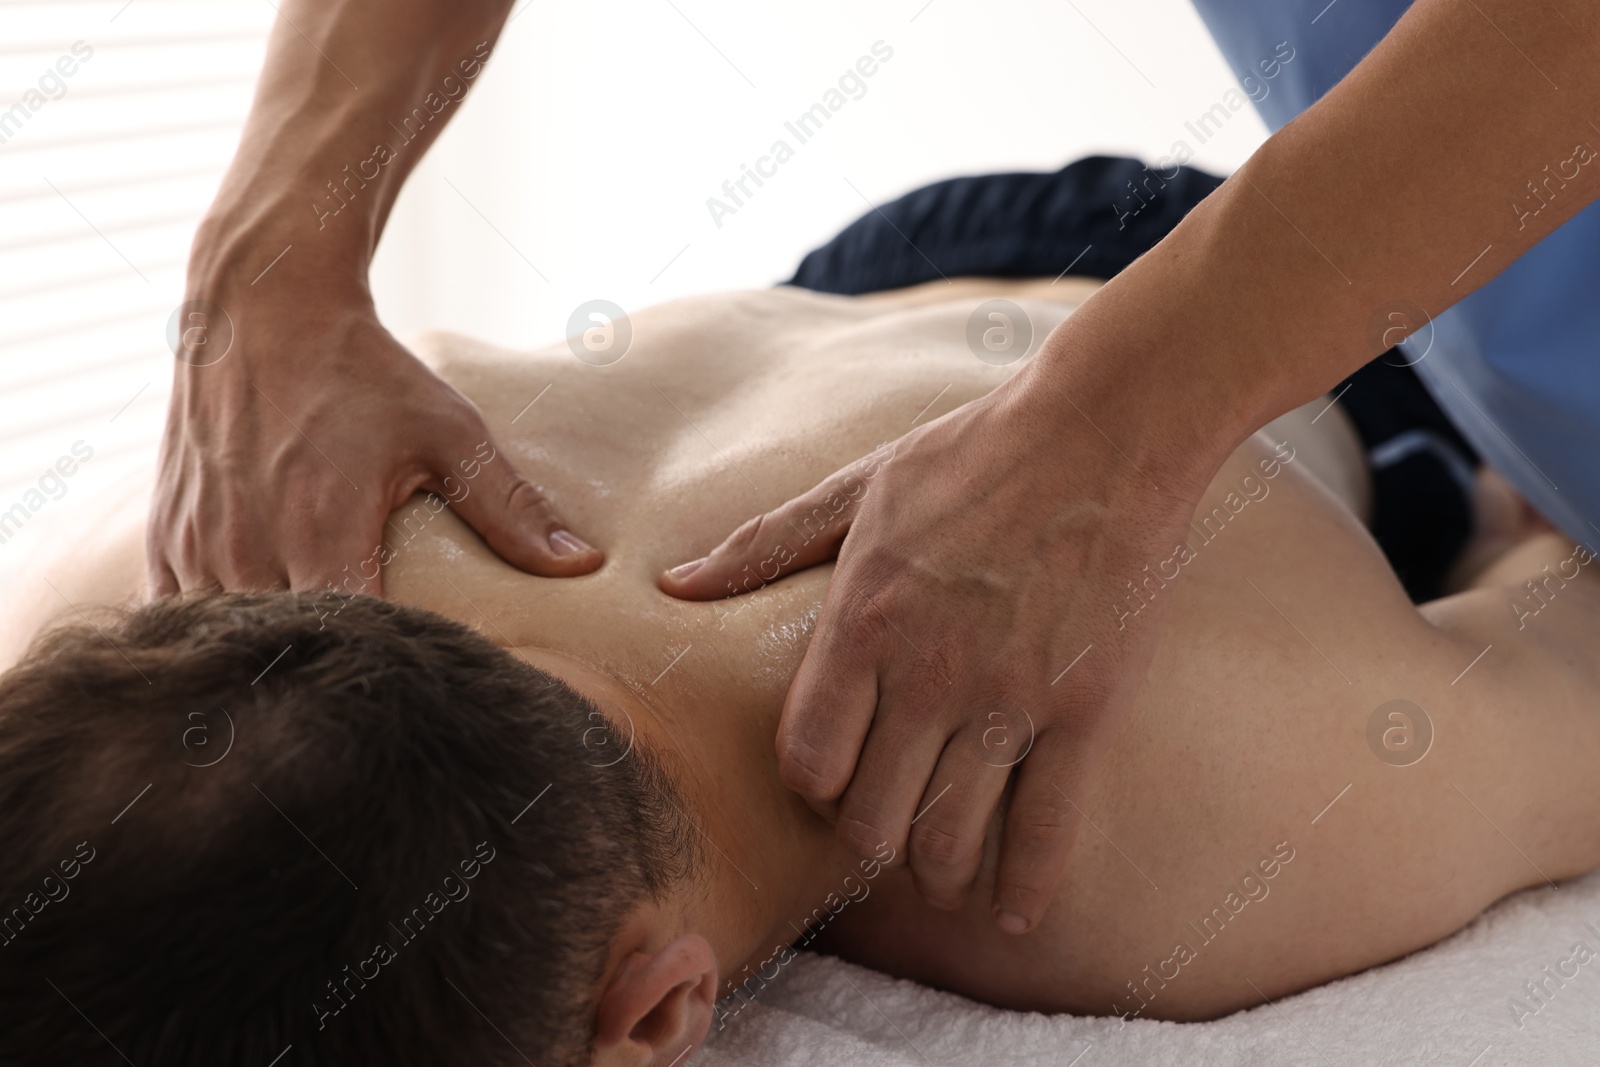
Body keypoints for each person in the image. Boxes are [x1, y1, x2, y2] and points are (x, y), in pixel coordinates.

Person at [159, 0, 1600, 936]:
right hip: (907, 289)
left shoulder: (1157, 830)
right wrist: (262, 261)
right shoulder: (118, 620)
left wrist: (1126, 420)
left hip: (1312, 345)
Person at [6, 275, 1600, 1065]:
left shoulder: (1146, 814)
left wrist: (1506, 531)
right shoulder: (134, 572)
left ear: (654, 1020)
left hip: (1286, 321)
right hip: (876, 295)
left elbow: (1568, 643)